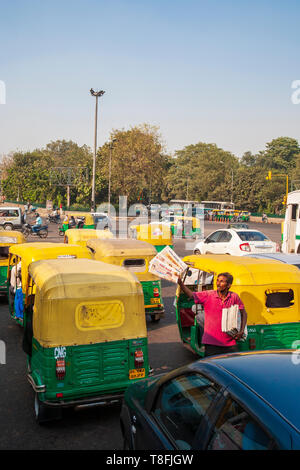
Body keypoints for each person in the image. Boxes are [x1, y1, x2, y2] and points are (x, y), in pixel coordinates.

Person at [177, 272, 247, 357]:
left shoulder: (234, 297)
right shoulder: (208, 295)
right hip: (211, 343)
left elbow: (243, 313)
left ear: (228, 285)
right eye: (217, 280)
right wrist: (181, 283)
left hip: (230, 343)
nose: (218, 283)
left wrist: (241, 331)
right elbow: (191, 295)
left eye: (221, 281)